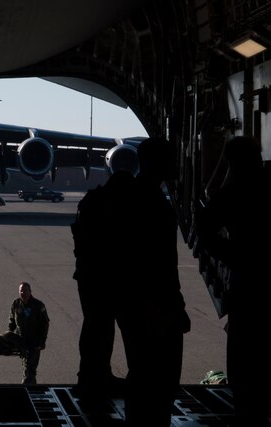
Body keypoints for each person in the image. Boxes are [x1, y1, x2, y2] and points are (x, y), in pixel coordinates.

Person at [196, 136, 271, 426]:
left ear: (231, 162)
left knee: (244, 353)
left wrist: (232, 254)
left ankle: (247, 412)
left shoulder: (235, 191)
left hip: (249, 280)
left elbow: (204, 229)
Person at [116, 137, 191, 427]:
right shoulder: (150, 202)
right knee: (158, 381)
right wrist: (168, 309)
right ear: (157, 163)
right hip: (153, 307)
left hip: (139, 304)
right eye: (171, 159)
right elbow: (155, 265)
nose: (177, 164)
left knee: (143, 377)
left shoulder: (139, 197)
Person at [71, 169, 134, 396]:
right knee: (103, 328)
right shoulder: (113, 205)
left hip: (89, 275)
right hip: (106, 276)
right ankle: (95, 378)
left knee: (95, 327)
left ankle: (92, 376)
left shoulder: (90, 202)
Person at [8, 282, 50, 385]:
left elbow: (45, 324)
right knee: (27, 367)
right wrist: (9, 337)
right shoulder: (16, 303)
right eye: (21, 290)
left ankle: (24, 389)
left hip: (34, 343)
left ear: (30, 292)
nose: (23, 292)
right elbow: (11, 321)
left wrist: (42, 341)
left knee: (29, 368)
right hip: (21, 342)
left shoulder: (38, 305)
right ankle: (34, 390)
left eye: (25, 290)